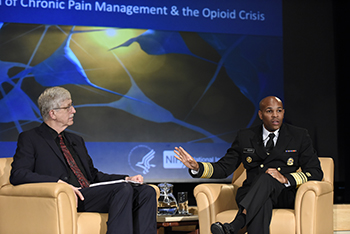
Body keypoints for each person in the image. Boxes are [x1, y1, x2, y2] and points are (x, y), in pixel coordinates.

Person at [10, 86, 157, 234]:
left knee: (146, 191)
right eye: (68, 107)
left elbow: (93, 176)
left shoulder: (76, 140)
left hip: (89, 193)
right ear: (52, 113)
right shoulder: (31, 138)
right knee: (122, 190)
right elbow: (19, 174)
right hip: (67, 197)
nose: (73, 110)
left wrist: (126, 178)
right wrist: (58, 183)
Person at [174, 96, 323, 234]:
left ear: (283, 112)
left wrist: (285, 178)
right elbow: (225, 167)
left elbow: (315, 172)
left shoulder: (299, 135)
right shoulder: (246, 136)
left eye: (279, 111)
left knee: (266, 179)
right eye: (269, 111)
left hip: (283, 194)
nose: (275, 115)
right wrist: (197, 167)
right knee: (262, 200)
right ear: (260, 115)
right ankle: (234, 226)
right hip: (251, 193)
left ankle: (236, 225)